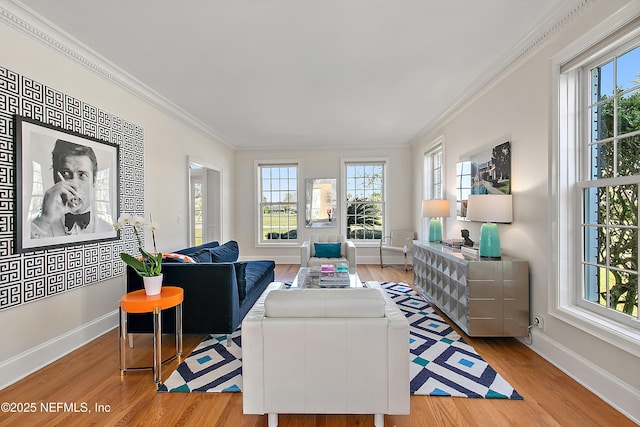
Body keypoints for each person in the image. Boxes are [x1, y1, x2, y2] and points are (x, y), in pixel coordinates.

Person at [31, 139, 113, 238]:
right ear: (55, 179)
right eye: (66, 173)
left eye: (82, 174)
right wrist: (43, 221)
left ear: (94, 181)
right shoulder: (38, 227)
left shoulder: (109, 229)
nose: (74, 185)